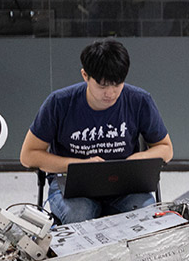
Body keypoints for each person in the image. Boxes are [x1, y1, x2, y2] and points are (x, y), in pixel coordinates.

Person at [19, 40, 173, 224]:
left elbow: (165, 149)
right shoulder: (59, 103)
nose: (110, 93)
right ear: (85, 75)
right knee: (78, 213)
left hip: (124, 187)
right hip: (72, 188)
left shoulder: (139, 101)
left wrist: (134, 160)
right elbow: (28, 156)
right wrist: (79, 165)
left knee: (146, 211)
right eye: (102, 86)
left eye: (117, 85)